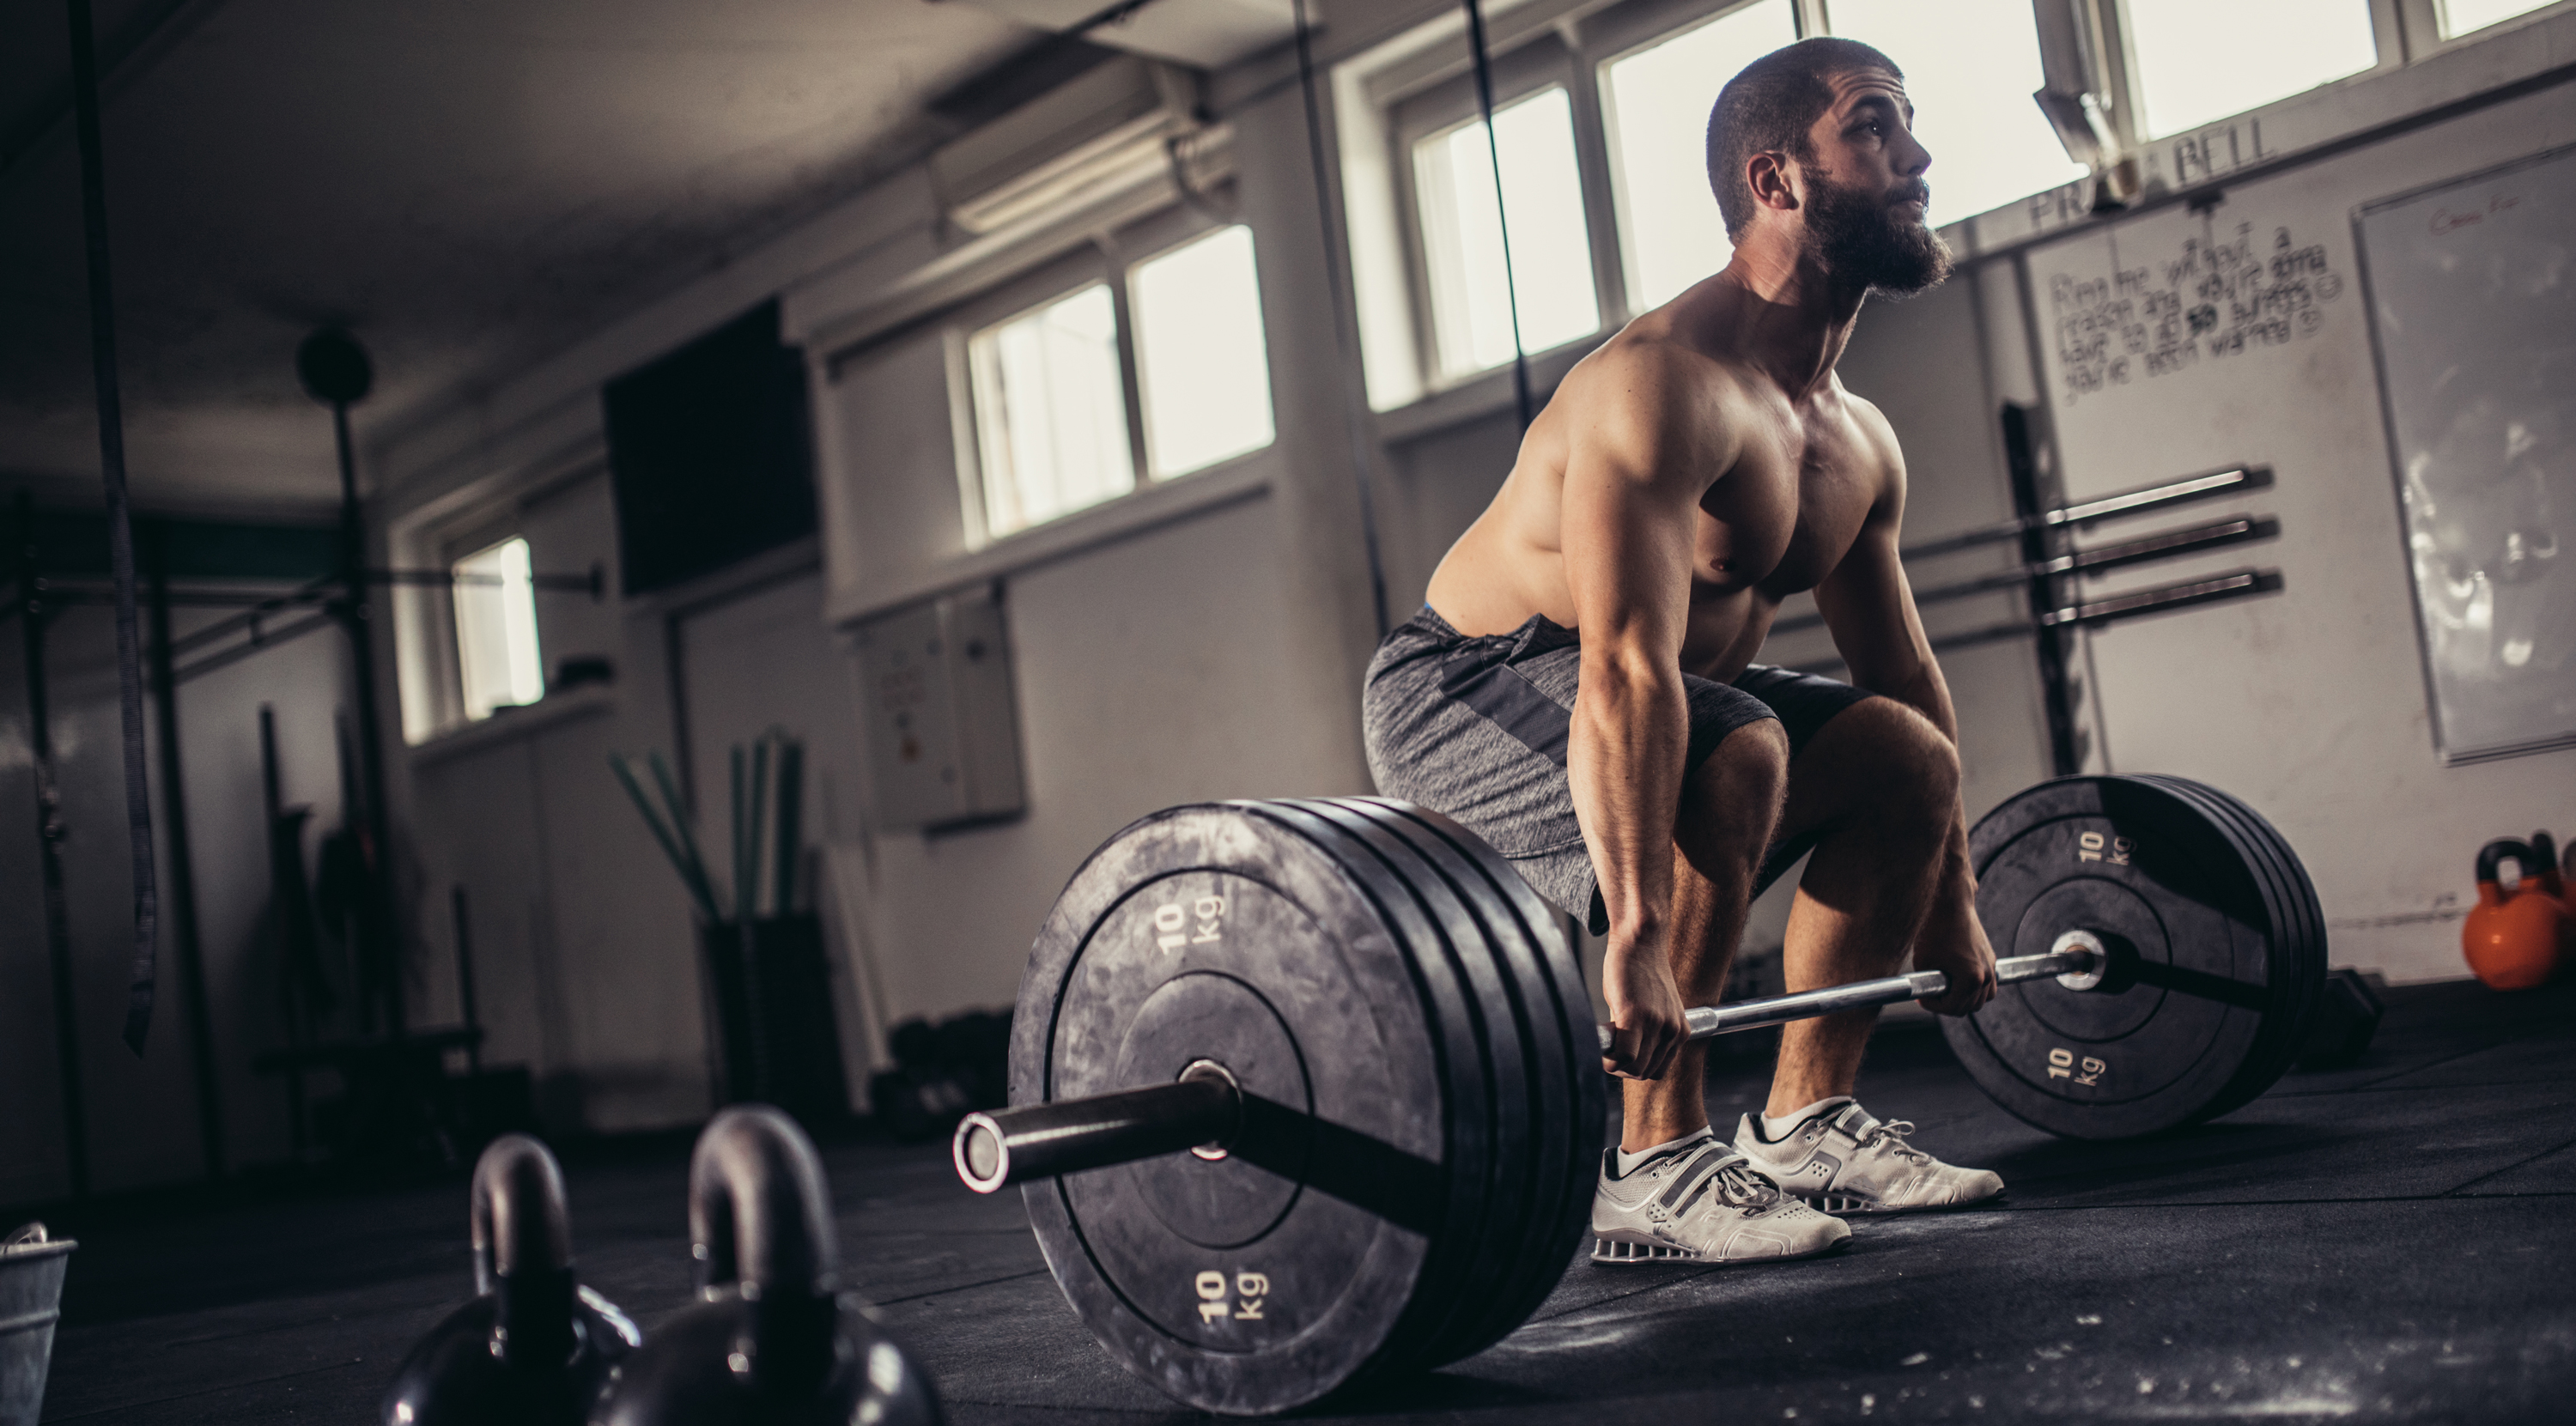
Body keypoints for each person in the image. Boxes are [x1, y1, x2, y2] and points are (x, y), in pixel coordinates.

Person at [1362, 36, 2004, 1266]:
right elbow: (1625, 670)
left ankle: (1806, 1122)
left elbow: (1903, 673)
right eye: (1874, 127)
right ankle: (1651, 1157)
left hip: (1667, 700)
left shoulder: (1855, 437)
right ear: (1777, 182)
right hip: (1466, 683)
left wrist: (1957, 898)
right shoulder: (1660, 385)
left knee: (1905, 753)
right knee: (1740, 747)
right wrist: (1639, 938)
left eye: (1908, 126)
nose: (1916, 157)